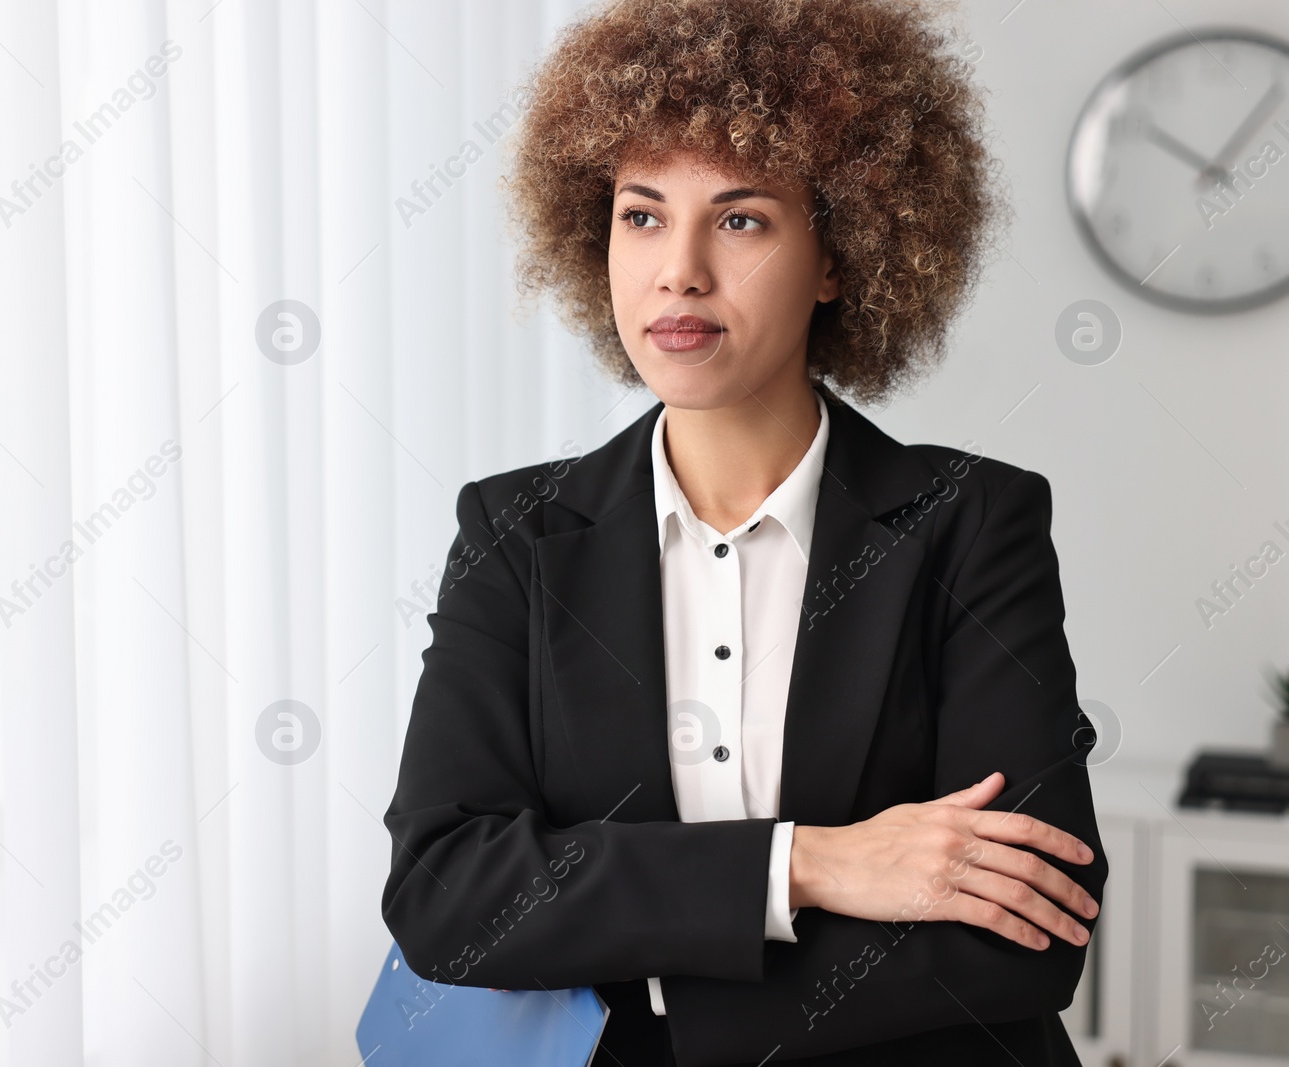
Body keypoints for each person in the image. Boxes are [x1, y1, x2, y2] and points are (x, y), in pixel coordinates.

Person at [381, 1, 1107, 1063]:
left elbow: (1030, 931)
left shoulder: (971, 523)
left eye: (740, 218)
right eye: (640, 215)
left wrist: (655, 990)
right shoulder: (513, 533)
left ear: (839, 254)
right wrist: (803, 865)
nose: (677, 268)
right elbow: (447, 890)